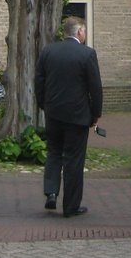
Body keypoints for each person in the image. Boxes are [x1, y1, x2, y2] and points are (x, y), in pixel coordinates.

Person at [35, 16, 103, 217]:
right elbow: (95, 88)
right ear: (80, 32)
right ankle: (71, 205)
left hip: (53, 113)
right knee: (73, 159)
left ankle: (51, 192)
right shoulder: (87, 54)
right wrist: (96, 113)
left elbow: (39, 80)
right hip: (77, 115)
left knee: (54, 152)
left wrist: (43, 104)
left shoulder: (49, 51)